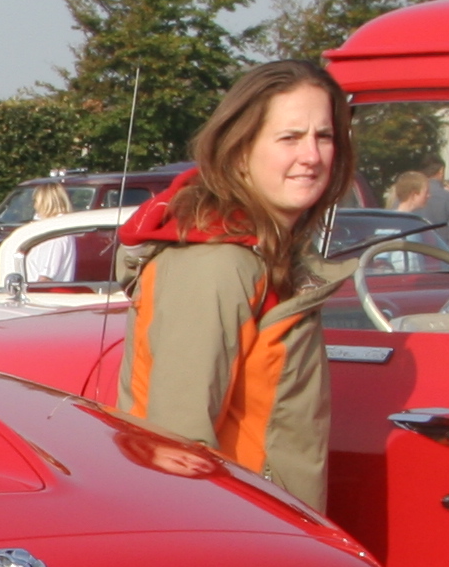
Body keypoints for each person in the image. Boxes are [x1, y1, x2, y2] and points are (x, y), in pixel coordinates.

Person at [115, 58, 357, 512]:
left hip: (275, 527)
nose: (311, 156)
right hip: (240, 531)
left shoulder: (269, 255)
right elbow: (177, 447)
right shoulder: (216, 264)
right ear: (239, 150)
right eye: (289, 138)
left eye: (323, 137)